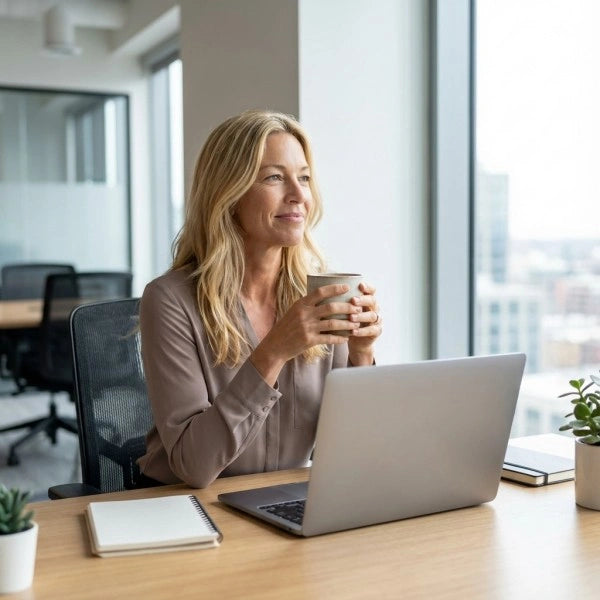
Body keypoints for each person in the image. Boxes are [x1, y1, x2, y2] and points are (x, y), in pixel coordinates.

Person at [137, 109, 382, 488]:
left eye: (304, 178)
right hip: (189, 510)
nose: (300, 195)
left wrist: (361, 356)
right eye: (274, 178)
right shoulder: (169, 301)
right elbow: (193, 467)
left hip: (287, 501)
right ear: (228, 194)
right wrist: (273, 352)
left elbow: (355, 454)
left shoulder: (318, 294)